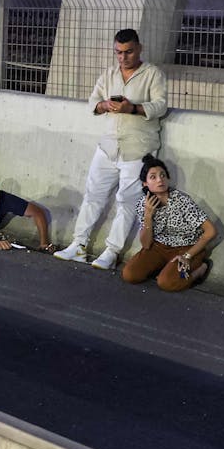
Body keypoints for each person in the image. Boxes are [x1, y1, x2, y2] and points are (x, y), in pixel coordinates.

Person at [53, 28, 170, 270]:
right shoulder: (109, 74)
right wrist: (105, 105)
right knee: (93, 195)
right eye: (118, 52)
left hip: (138, 148)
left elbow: (160, 106)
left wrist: (133, 109)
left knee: (127, 201)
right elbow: (92, 102)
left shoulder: (152, 74)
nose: (123, 57)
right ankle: (79, 245)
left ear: (139, 48)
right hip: (108, 146)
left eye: (128, 52)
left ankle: (112, 251)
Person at [120, 154, 215, 291]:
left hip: (186, 247)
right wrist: (148, 216)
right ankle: (164, 267)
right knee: (130, 275)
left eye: (163, 175)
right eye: (153, 177)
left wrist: (187, 256)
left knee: (167, 283)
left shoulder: (181, 200)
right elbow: (146, 244)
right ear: (145, 183)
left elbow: (211, 231)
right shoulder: (143, 204)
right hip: (159, 247)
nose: (160, 180)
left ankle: (199, 269)